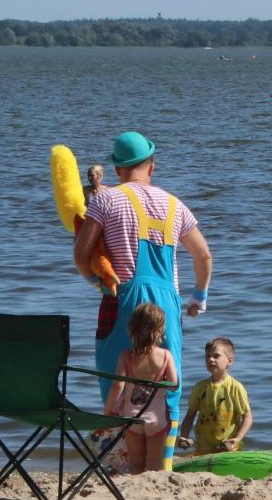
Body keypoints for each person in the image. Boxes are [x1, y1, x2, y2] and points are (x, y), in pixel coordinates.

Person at [74, 131, 211, 427]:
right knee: (166, 384)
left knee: (115, 375)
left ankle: (119, 449)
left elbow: (81, 254)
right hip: (167, 305)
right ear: (152, 165)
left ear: (117, 169)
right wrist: (199, 297)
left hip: (120, 298)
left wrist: (95, 281)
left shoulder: (105, 199)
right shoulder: (175, 205)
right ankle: (162, 460)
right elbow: (203, 256)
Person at [103, 302, 180, 475]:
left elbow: (117, 385)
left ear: (132, 329)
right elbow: (174, 385)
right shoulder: (166, 356)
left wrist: (108, 411)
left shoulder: (126, 356)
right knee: (155, 464)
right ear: (160, 330)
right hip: (157, 419)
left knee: (135, 463)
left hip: (132, 418)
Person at [179, 337, 251, 454]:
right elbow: (190, 416)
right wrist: (183, 436)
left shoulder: (235, 387)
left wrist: (237, 438)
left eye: (216, 356)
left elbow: (247, 417)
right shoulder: (200, 387)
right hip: (203, 448)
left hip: (228, 449)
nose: (211, 359)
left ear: (230, 361)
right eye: (207, 356)